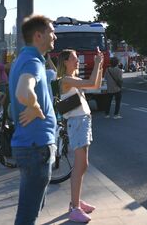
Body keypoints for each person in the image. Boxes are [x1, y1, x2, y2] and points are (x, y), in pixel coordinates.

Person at [9, 15, 57, 225]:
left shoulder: (23, 58)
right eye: (51, 31)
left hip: (31, 146)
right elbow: (23, 91)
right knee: (27, 216)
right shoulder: (33, 61)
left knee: (31, 209)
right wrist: (35, 106)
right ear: (39, 36)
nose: (54, 35)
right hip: (35, 147)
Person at [57, 48, 103, 223]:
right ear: (65, 62)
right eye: (75, 59)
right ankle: (74, 208)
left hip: (82, 121)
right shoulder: (66, 80)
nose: (78, 61)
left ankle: (76, 202)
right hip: (77, 123)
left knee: (83, 165)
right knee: (79, 165)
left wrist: (99, 67)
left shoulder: (72, 79)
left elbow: (96, 86)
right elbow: (91, 83)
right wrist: (98, 63)